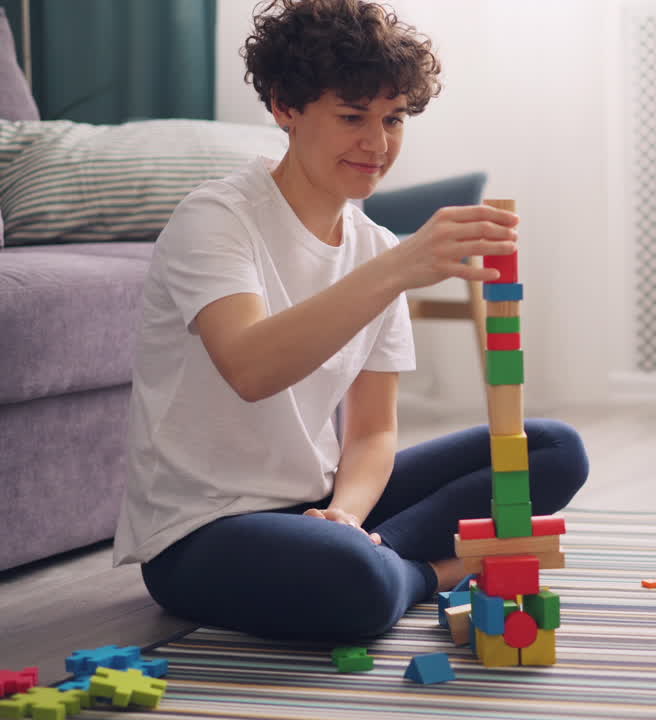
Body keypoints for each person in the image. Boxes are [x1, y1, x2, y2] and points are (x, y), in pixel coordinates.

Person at [112, 0, 588, 640]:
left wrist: (346, 513)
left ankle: (373, 553)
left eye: (393, 119)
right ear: (285, 106)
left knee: (555, 449)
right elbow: (251, 367)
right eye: (352, 117)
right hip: (201, 532)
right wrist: (398, 269)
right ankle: (437, 571)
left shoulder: (375, 248)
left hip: (319, 507)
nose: (378, 143)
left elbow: (372, 432)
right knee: (354, 580)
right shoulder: (217, 219)